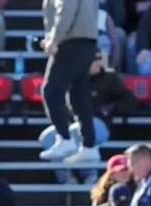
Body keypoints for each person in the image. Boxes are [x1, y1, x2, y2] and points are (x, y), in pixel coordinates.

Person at [39, 0, 104, 169]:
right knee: (78, 96)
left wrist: (54, 39)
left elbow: (66, 9)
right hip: (87, 42)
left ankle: (64, 138)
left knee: (51, 91)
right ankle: (89, 145)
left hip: (71, 41)